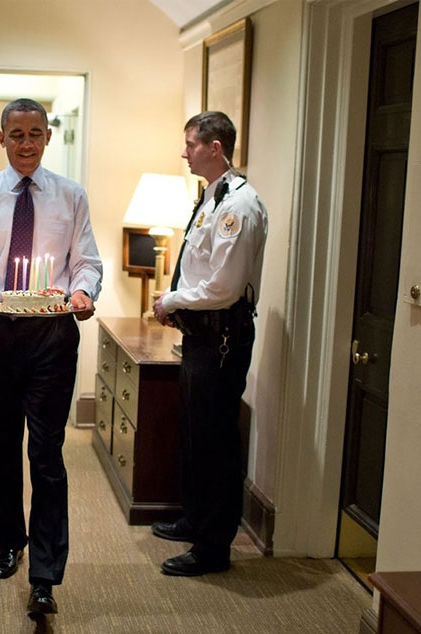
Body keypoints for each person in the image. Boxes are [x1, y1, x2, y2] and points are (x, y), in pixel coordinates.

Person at [0, 98, 103, 620]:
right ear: (1, 139)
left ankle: (45, 573)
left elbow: (86, 261)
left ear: (47, 137)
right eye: (16, 135)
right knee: (4, 446)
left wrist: (84, 291)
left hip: (51, 338)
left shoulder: (71, 196)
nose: (27, 143)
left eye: (36, 133)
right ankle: (8, 541)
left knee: (47, 452)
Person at [151, 111, 268, 577]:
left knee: (215, 441)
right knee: (195, 435)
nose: (184, 152)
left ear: (214, 148)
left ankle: (213, 547)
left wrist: (172, 298)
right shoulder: (213, 197)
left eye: (190, 143)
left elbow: (224, 286)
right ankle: (194, 520)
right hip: (202, 336)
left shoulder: (239, 206)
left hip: (221, 336)